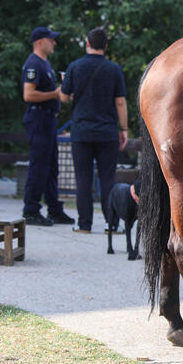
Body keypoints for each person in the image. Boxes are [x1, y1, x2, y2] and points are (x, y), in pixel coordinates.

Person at [60, 28, 128, 233]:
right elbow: (120, 102)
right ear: (106, 46)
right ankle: (111, 224)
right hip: (107, 133)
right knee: (107, 179)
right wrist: (124, 128)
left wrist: (67, 87)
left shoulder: (74, 67)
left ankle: (84, 224)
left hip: (81, 132)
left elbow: (63, 97)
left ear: (87, 43)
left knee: (83, 179)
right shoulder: (114, 69)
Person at [21, 26, 74, 226]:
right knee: (39, 165)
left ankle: (54, 209)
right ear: (40, 42)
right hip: (39, 118)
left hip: (48, 118)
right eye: (51, 40)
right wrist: (55, 94)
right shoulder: (33, 64)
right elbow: (28, 95)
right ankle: (31, 210)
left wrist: (61, 93)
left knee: (51, 166)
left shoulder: (45, 63)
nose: (54, 43)